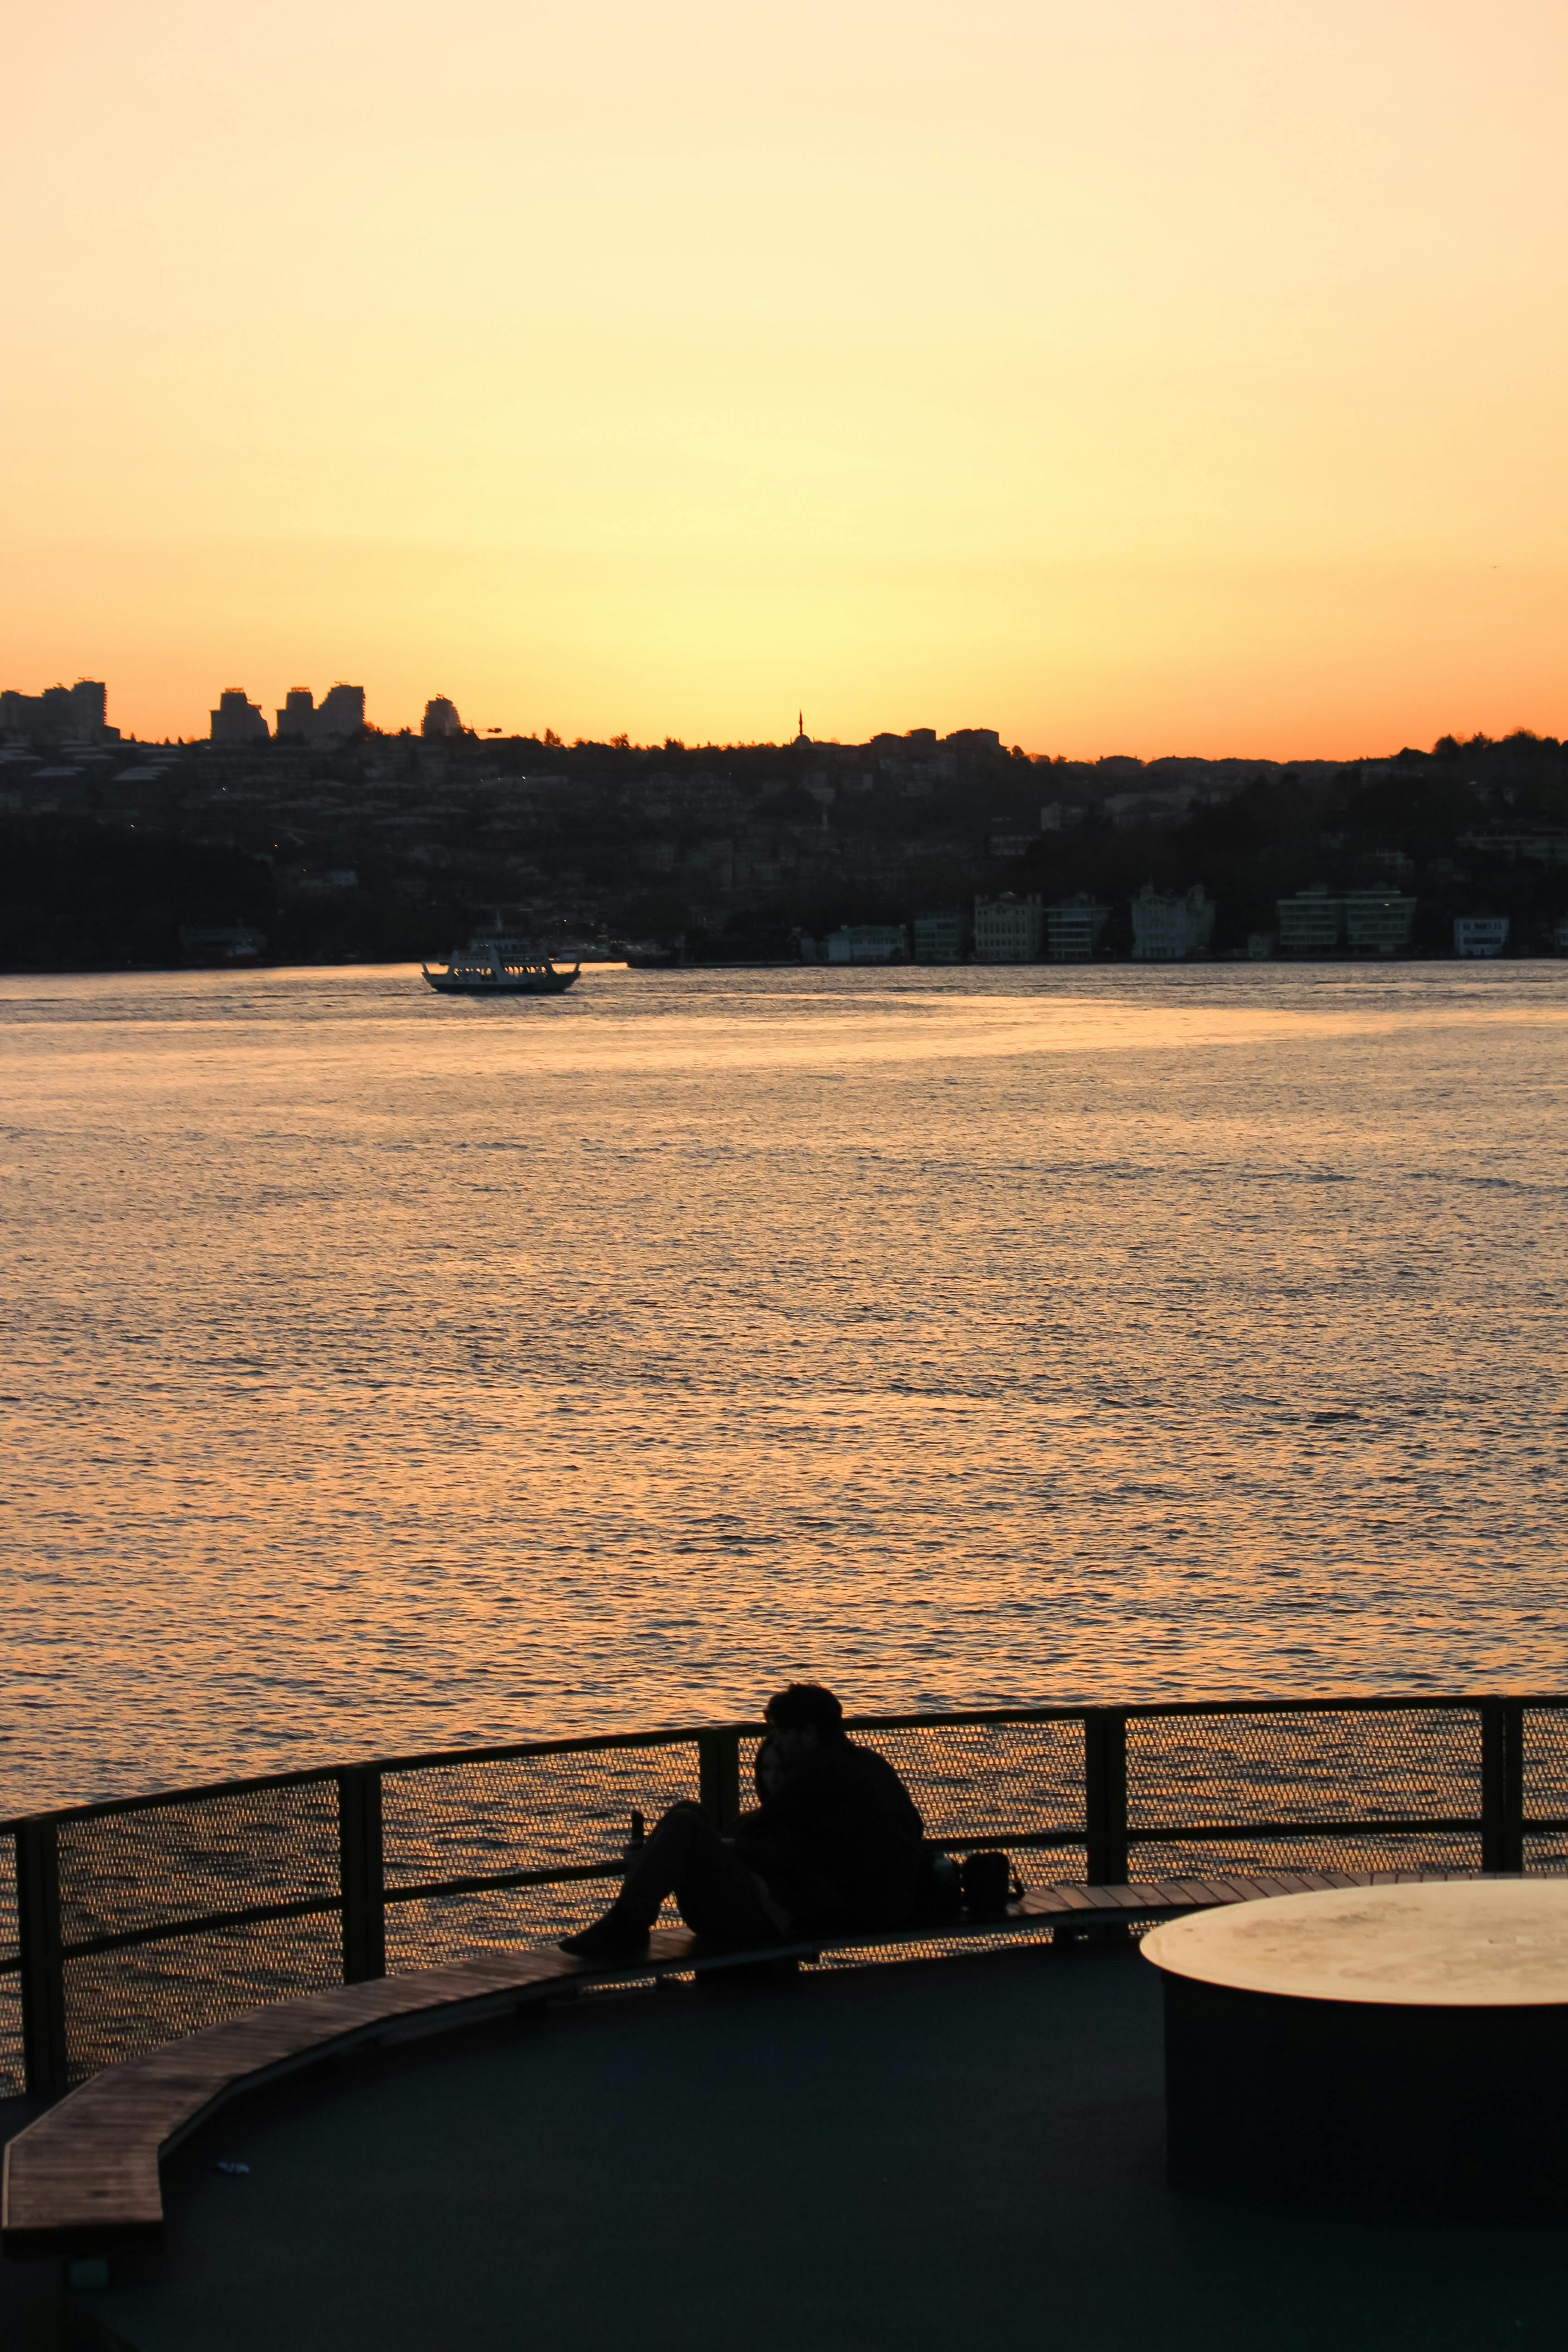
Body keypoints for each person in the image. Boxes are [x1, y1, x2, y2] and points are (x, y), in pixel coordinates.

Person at [559, 1683, 924, 1961]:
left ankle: (629, 1921)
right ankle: (631, 1917)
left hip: (799, 1916)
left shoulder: (819, 1777)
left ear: (809, 1733)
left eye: (783, 1732)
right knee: (689, 1816)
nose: (776, 1742)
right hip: (852, 1904)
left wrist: (713, 1847)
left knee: (686, 1823)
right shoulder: (868, 1766)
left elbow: (764, 1840)